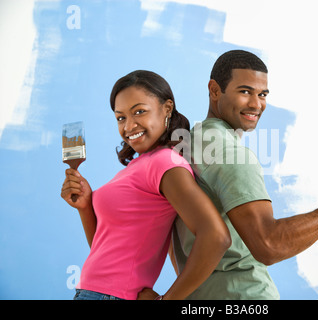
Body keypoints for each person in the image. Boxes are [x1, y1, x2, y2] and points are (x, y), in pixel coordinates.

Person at [171, 50, 318, 299]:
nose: (256, 104)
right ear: (214, 90)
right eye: (245, 92)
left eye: (262, 94)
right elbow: (269, 244)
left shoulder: (184, 145)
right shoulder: (231, 154)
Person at [60, 70, 231, 300]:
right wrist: (84, 206)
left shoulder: (166, 162)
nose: (129, 126)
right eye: (121, 118)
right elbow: (106, 250)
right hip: (94, 292)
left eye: (139, 111)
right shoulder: (141, 164)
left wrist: (167, 300)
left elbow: (216, 236)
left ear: (167, 108)